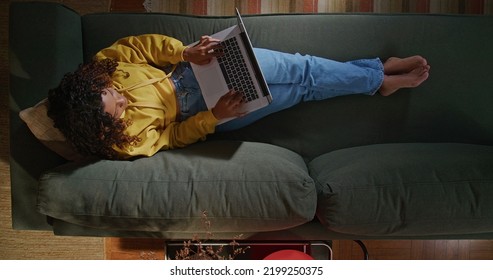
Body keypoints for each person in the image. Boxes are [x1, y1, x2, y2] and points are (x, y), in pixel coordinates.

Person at [48, 34, 430, 159]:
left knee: (302, 68)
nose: (122, 101)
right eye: (117, 112)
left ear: (96, 83)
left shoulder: (104, 64)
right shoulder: (121, 142)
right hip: (207, 109)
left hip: (196, 67)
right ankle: (377, 74)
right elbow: (171, 138)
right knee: (301, 91)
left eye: (114, 93)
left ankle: (379, 76)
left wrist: (185, 52)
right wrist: (214, 117)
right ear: (104, 129)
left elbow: (141, 46)